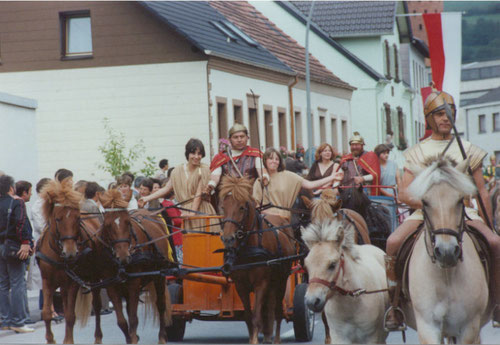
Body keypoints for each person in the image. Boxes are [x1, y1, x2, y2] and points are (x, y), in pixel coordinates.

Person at [383, 90, 500, 330]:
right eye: (439, 114)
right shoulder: (416, 152)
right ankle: (394, 306)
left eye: (450, 113)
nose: (446, 118)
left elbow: (482, 191)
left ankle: (497, 301)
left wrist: (489, 225)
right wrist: (432, 203)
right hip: (424, 213)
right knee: (393, 242)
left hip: (463, 213)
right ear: (429, 118)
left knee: (495, 243)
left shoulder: (469, 150)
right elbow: (404, 193)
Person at [139, 138, 219, 232]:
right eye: (193, 153)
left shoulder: (204, 169)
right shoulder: (177, 171)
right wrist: (146, 198)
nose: (197, 157)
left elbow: (198, 195)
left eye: (199, 154)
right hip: (185, 213)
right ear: (187, 153)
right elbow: (166, 189)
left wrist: (192, 214)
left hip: (200, 212)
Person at [253, 148, 343, 221]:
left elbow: (310, 185)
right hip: (267, 222)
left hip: (286, 221)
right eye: (271, 158)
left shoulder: (288, 175)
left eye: (277, 159)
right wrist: (275, 214)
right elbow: (257, 206)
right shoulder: (259, 181)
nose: (274, 161)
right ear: (265, 161)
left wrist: (332, 177)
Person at [0, 175, 34, 333]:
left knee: (2, 284)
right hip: (14, 247)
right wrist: (26, 243)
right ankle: (18, 322)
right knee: (17, 284)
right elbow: (20, 223)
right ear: (11, 188)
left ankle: (5, 320)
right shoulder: (17, 202)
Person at [204, 123, 267, 200]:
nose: (239, 140)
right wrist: (211, 184)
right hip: (228, 198)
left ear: (247, 138)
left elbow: (262, 172)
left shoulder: (256, 154)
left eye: (242, 136)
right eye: (235, 137)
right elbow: (216, 176)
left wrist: (264, 177)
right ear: (229, 139)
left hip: (251, 197)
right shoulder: (221, 157)